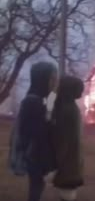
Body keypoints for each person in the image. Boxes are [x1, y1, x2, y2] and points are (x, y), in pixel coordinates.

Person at [10, 61, 58, 201]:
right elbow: (37, 132)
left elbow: (47, 117)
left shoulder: (38, 99)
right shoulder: (32, 102)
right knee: (36, 188)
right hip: (35, 155)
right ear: (41, 79)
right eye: (52, 79)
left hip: (38, 154)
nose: (54, 83)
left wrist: (51, 99)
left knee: (38, 187)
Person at [51, 75, 85, 201]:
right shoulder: (68, 108)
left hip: (66, 165)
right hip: (70, 163)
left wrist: (55, 164)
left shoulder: (67, 110)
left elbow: (63, 141)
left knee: (66, 195)